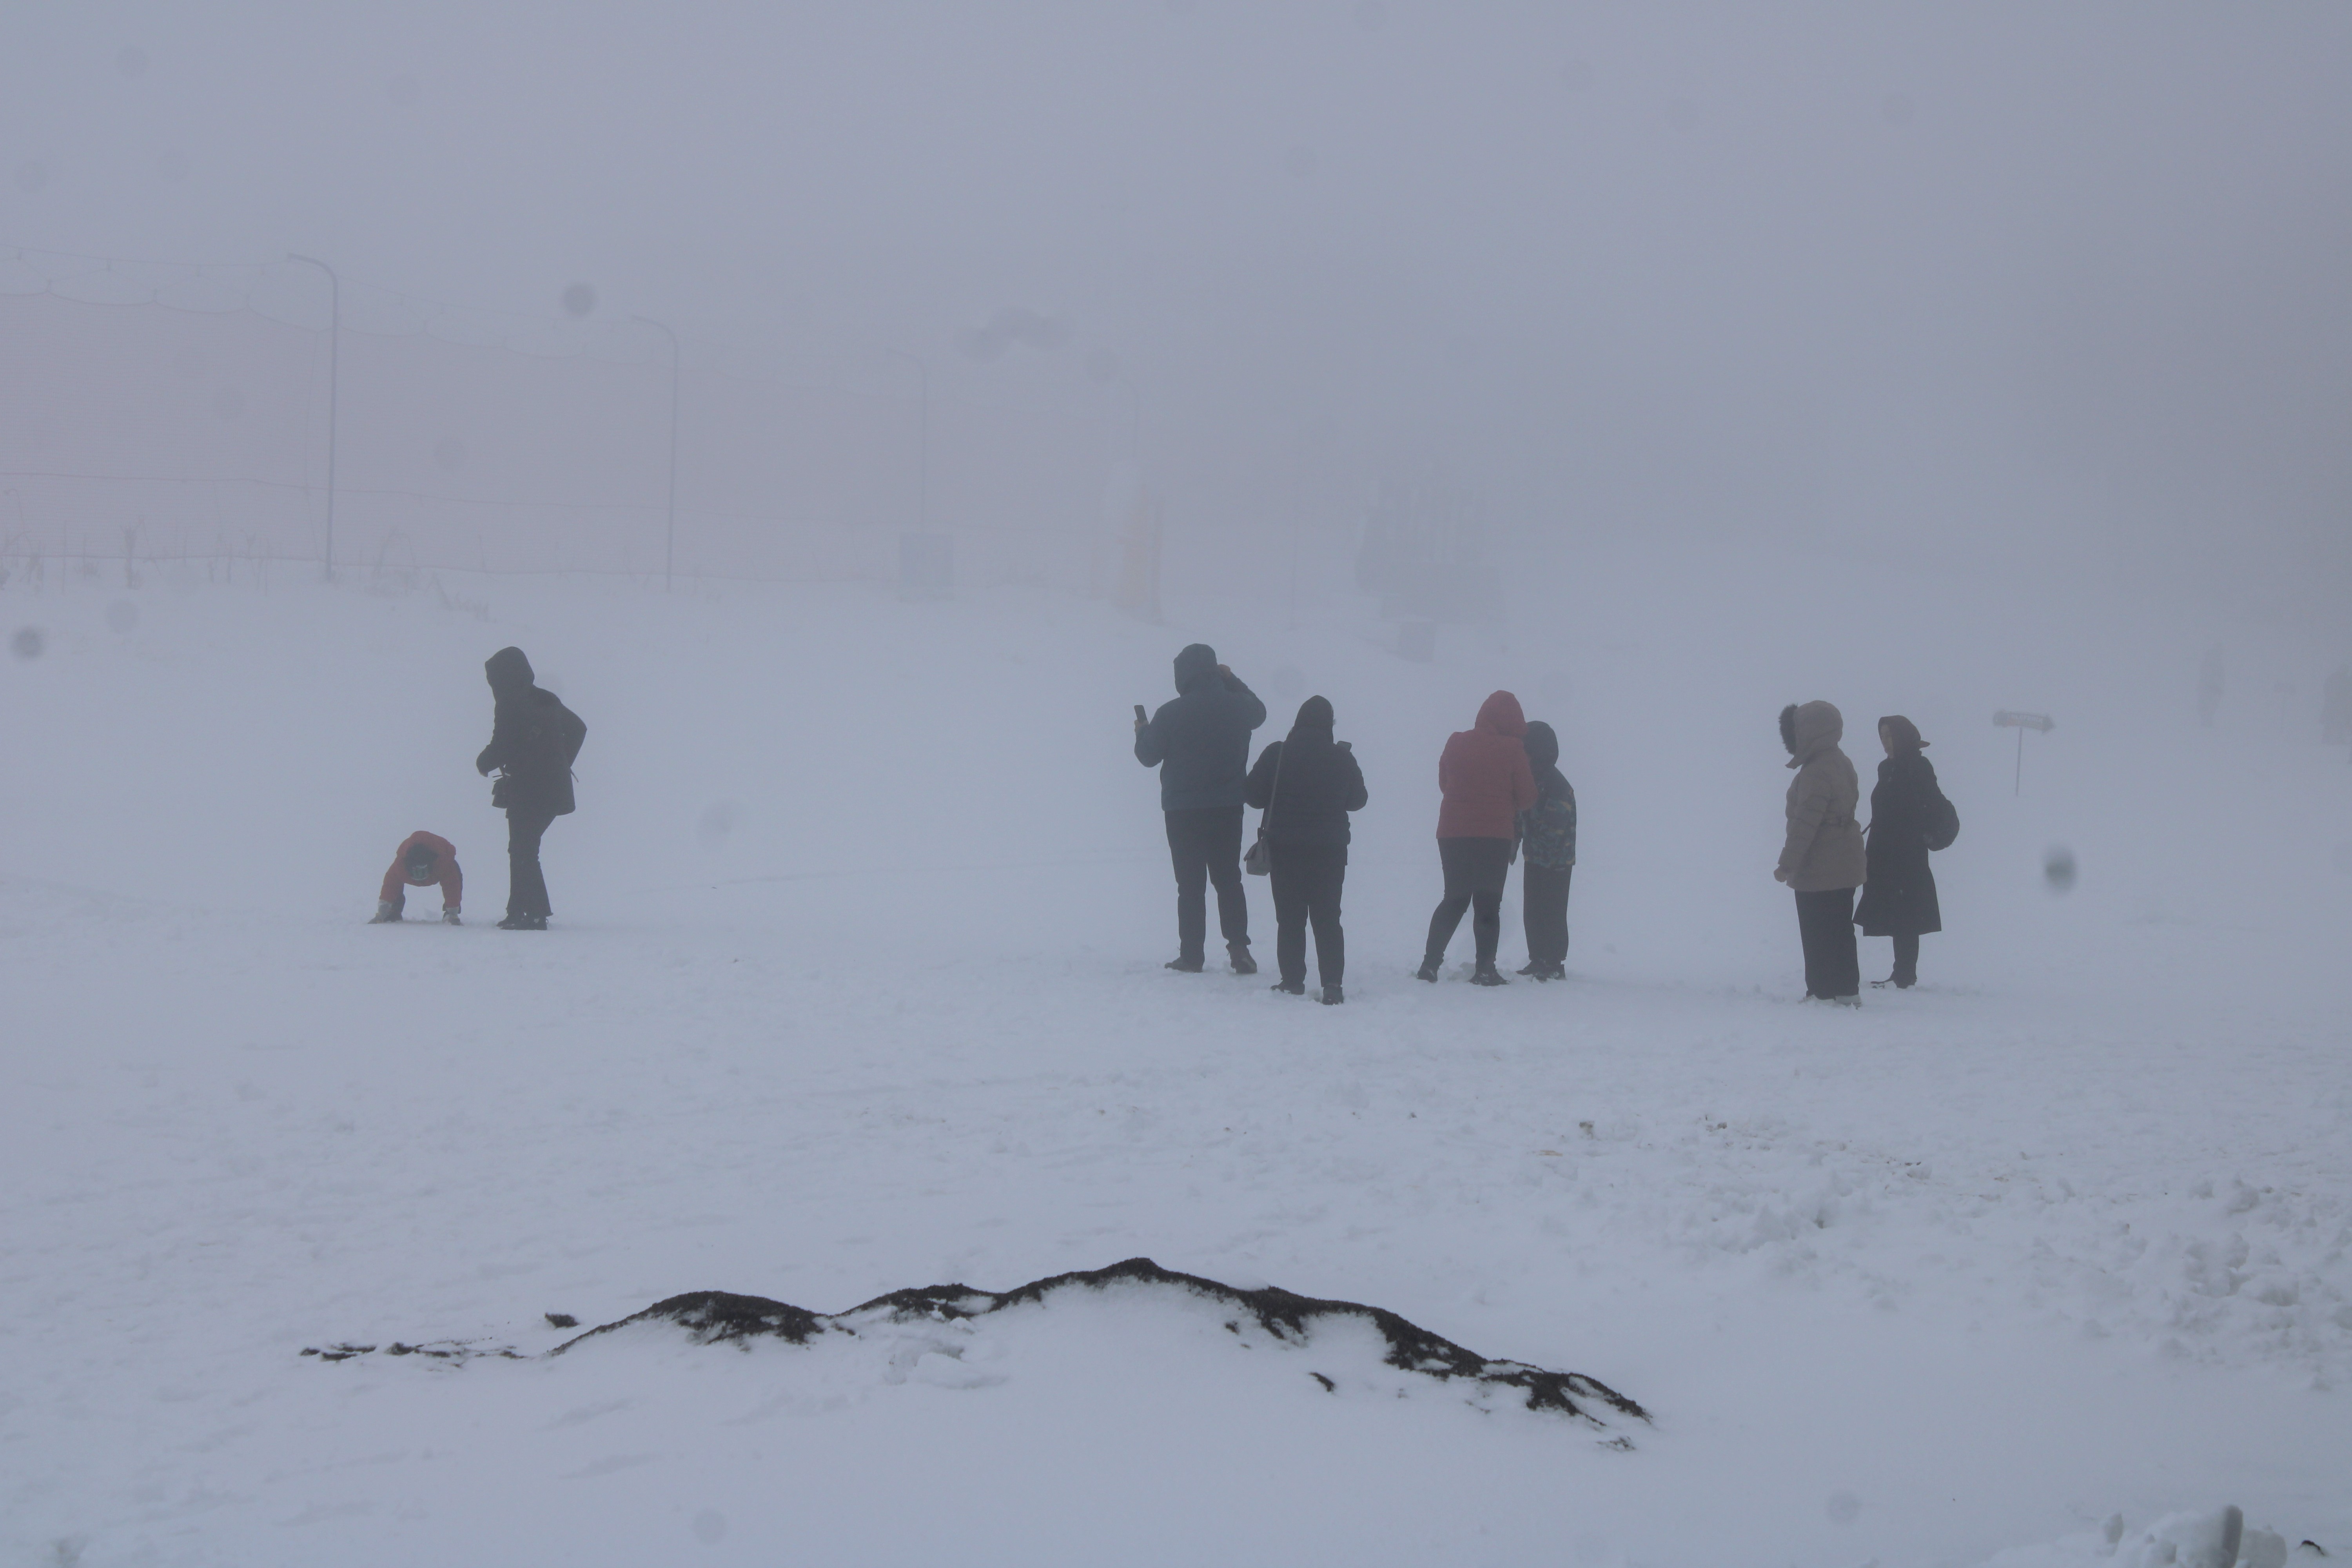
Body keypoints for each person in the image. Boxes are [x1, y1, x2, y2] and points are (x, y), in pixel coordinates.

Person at [1134, 643, 1266, 973]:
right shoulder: (1238, 706)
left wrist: (1142, 732)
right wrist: (1232, 680)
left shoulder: (1170, 713)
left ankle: (1192, 955)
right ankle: (1239, 949)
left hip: (1183, 811)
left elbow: (1148, 757)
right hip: (1228, 807)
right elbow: (1260, 712)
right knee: (1229, 879)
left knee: (1190, 885)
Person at [1243, 695, 1367, 1004]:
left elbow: (1253, 795)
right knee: (1328, 918)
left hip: (1285, 848)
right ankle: (1332, 985)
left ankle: (1292, 981)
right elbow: (1358, 801)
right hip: (1330, 851)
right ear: (1329, 725)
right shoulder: (1342, 757)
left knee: (1290, 918)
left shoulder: (1278, 753)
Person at [1417, 690, 1537, 986]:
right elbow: (1527, 798)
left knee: (1454, 899)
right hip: (1493, 837)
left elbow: (1445, 783)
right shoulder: (1513, 749)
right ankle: (1484, 970)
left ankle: (1430, 965)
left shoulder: (1456, 742)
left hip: (1453, 834)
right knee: (1488, 904)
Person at [475, 646, 586, 931]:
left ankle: (534, 914)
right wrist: (559, 762)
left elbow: (501, 744)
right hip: (552, 787)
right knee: (523, 848)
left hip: (529, 788)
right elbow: (578, 729)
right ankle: (518, 911)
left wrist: (483, 762)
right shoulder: (545, 699)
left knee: (523, 850)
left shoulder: (509, 703)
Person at [1775, 701, 1866, 1004]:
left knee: (1816, 931)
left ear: (1809, 733)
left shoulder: (1815, 772)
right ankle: (1847, 991)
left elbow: (1805, 825)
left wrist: (1787, 864)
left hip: (1818, 865)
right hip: (1846, 859)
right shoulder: (1842, 762)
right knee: (1841, 930)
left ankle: (1821, 992)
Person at [1853, 715, 1947, 989]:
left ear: (1902, 737)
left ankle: (1906, 972)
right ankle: (1901, 971)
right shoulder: (1886, 768)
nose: (1885, 742)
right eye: (1882, 736)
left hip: (1907, 851)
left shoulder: (1918, 766)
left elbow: (1930, 803)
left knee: (1907, 910)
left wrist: (1918, 832)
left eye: (1890, 736)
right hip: (1883, 850)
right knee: (1896, 909)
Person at [1515, 720, 1576, 980]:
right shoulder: (1534, 779)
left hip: (1556, 861)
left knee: (1552, 911)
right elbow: (1521, 814)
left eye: (1525, 749)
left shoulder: (1555, 783)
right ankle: (1538, 958)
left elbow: (1555, 826)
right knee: (1533, 910)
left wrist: (1534, 845)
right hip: (1536, 858)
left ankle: (1553, 962)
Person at [370, 831, 463, 924]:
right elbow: (390, 887)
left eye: (423, 871)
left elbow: (452, 886)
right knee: (395, 887)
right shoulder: (400, 867)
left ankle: (449, 914)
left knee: (455, 877)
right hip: (413, 871)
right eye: (416, 872)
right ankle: (392, 913)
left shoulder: (444, 864)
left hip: (438, 866)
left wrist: (453, 912)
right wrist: (382, 913)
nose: (420, 876)